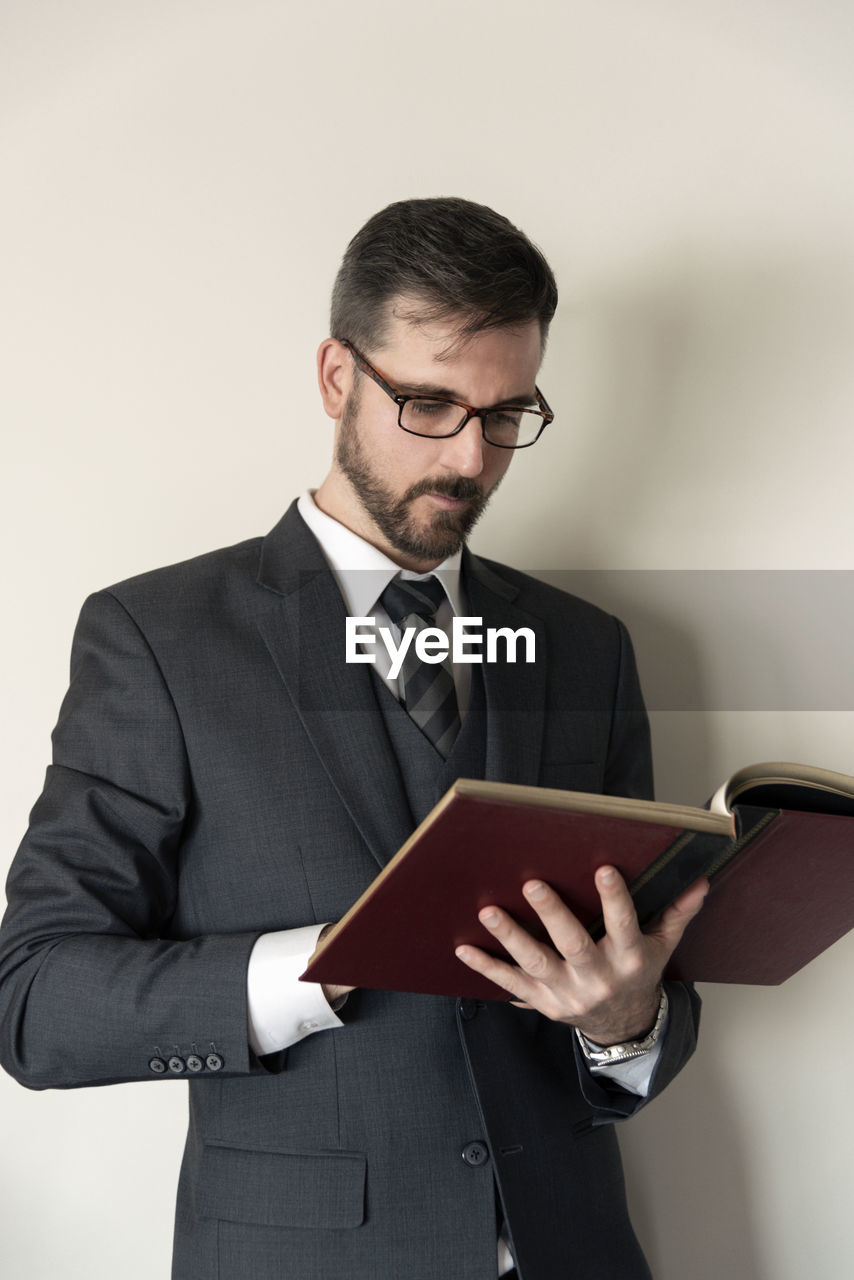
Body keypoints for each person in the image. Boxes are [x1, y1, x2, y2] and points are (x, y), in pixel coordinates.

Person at [0, 197, 706, 1280]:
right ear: (337, 376)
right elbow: (36, 1001)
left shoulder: (585, 646)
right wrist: (314, 971)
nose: (471, 456)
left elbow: (641, 986)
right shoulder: (157, 636)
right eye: (428, 403)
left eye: (507, 412)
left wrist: (626, 1020)